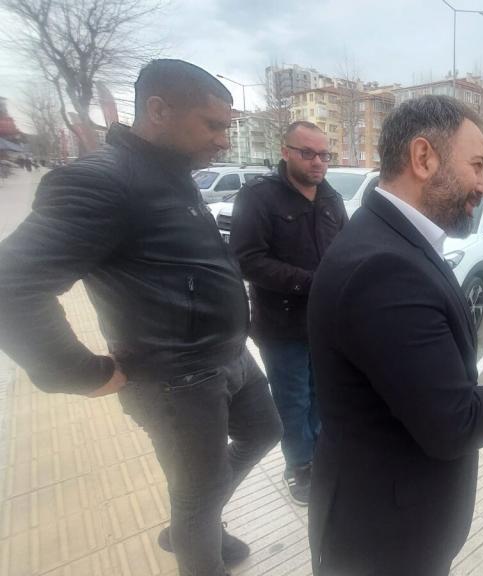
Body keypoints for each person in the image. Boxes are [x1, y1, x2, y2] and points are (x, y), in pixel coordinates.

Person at [0, 59, 283, 576]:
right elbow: (11, 287)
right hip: (176, 380)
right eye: (213, 125)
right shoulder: (102, 181)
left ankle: (195, 523)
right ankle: (198, 539)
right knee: (196, 494)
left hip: (228, 356)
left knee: (263, 431)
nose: (223, 141)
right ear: (158, 111)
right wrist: (84, 373)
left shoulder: (172, 173)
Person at [306, 95, 483, 576]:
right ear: (423, 158)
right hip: (385, 544)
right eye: (477, 165)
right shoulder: (384, 267)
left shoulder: (386, 235)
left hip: (384, 523)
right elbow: (453, 424)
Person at [230, 121, 346, 505]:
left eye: (324, 154)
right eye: (307, 153)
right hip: (282, 326)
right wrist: (311, 282)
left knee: (322, 394)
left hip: (326, 323)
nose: (318, 162)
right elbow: (247, 259)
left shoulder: (330, 197)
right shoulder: (259, 197)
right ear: (285, 151)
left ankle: (319, 453)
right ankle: (299, 465)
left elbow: (345, 248)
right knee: (293, 401)